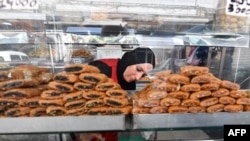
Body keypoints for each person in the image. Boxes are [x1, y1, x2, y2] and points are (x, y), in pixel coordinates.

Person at [72, 47, 156, 141]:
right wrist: (84, 131)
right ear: (129, 61)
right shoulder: (101, 68)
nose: (138, 77)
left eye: (143, 75)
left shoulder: (129, 79)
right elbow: (77, 103)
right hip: (89, 134)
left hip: (112, 133)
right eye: (138, 69)